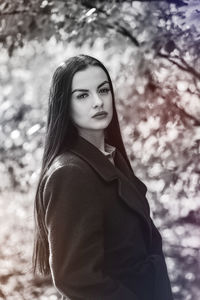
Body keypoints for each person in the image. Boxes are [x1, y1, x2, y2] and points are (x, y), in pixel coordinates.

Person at [33, 54, 174, 300]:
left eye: (103, 90)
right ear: (64, 105)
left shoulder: (111, 157)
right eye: (83, 95)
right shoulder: (70, 172)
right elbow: (75, 277)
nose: (98, 102)